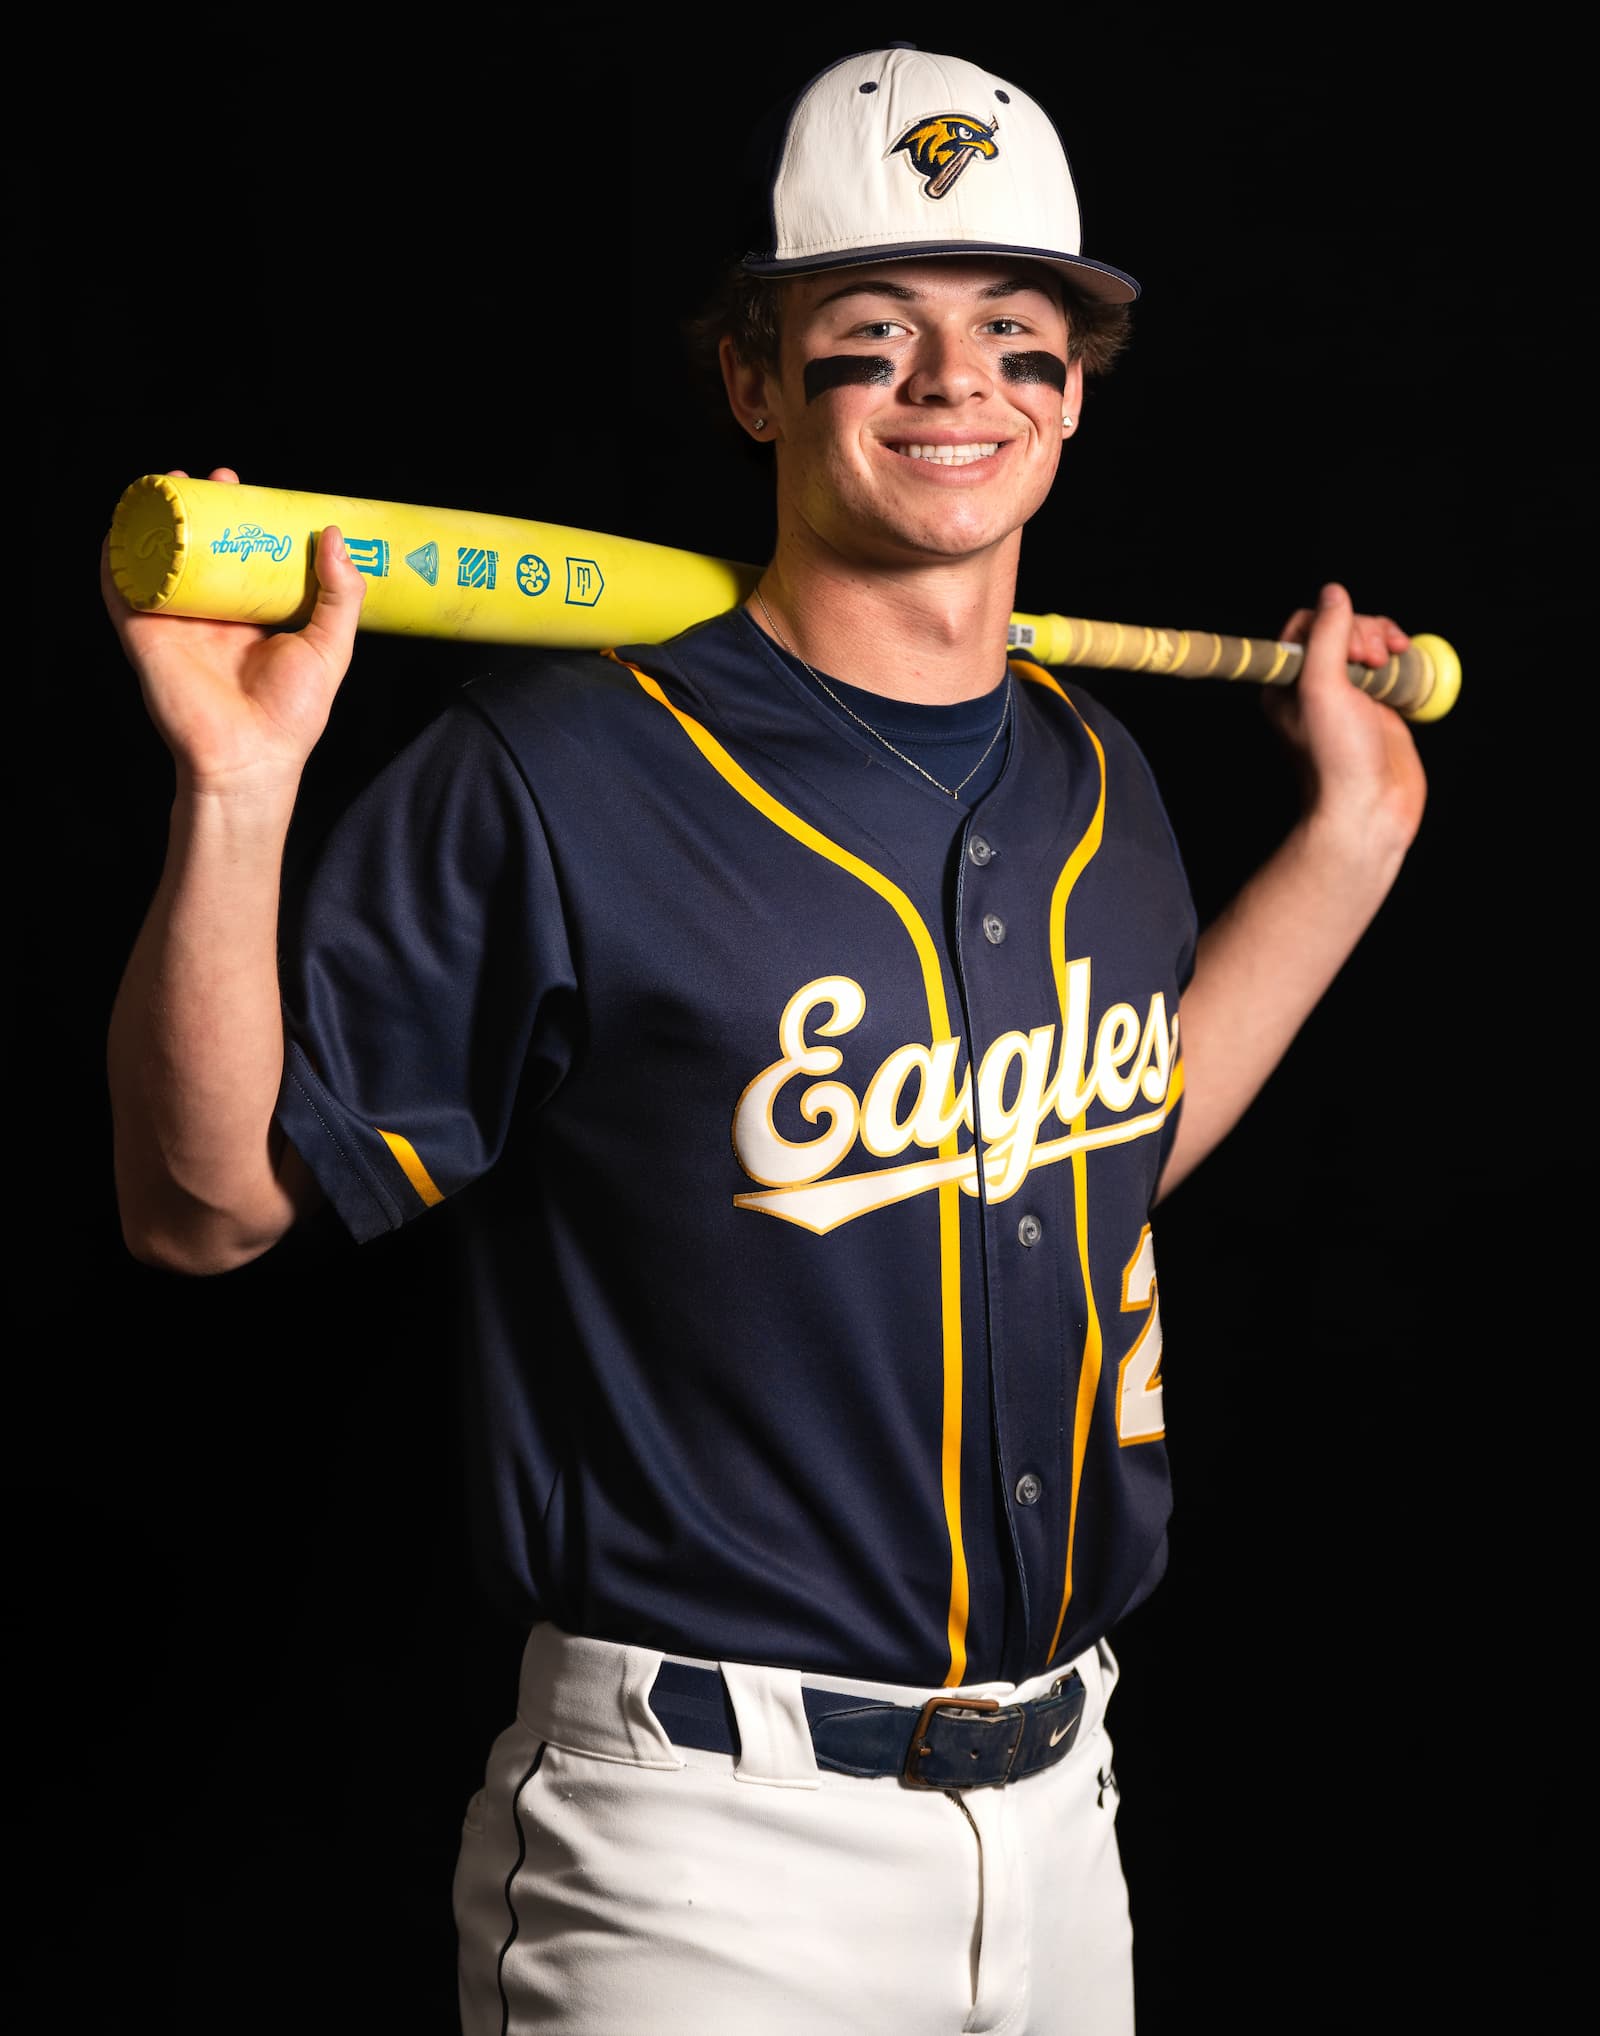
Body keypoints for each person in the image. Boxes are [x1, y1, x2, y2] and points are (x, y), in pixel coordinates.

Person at [102, 43, 1427, 2036]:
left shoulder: (1099, 777)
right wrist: (235, 790)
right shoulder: (548, 776)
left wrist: (1345, 844)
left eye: (1015, 333)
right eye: (869, 330)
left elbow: (1093, 1151)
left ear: (1075, 386)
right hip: (701, 1849)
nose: (951, 382)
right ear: (748, 375)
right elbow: (203, 1208)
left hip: (1069, 1815)